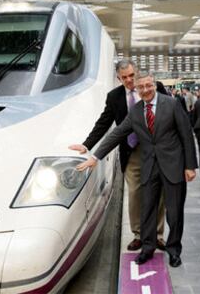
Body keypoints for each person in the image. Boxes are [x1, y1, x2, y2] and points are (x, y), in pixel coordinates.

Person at [75, 71, 197, 267]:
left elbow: (186, 135)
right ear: (136, 90)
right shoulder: (136, 111)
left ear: (155, 85)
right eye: (141, 87)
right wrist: (95, 155)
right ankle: (147, 248)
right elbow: (117, 134)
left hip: (173, 165)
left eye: (149, 86)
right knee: (147, 210)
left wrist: (190, 166)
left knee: (174, 212)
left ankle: (174, 250)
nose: (146, 90)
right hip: (149, 167)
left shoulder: (172, 104)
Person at [68, 59, 165, 251]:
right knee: (135, 193)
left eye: (131, 75)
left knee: (158, 193)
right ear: (118, 78)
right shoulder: (114, 97)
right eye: (125, 77)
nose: (129, 80)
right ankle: (138, 234)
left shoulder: (155, 87)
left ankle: (158, 235)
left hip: (157, 150)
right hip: (132, 151)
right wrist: (87, 145)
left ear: (136, 72)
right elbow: (104, 123)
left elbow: (171, 112)